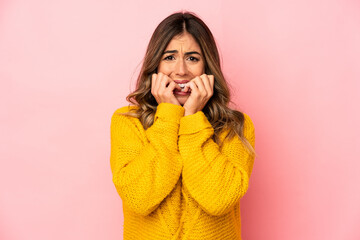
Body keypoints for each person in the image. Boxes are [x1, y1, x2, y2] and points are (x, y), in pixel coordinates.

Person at [110, 11, 256, 240]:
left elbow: (219, 199)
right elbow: (139, 198)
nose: (180, 71)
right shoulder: (128, 121)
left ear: (207, 67)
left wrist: (192, 118)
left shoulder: (236, 126)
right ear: (155, 65)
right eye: (169, 57)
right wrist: (168, 115)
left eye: (192, 58)